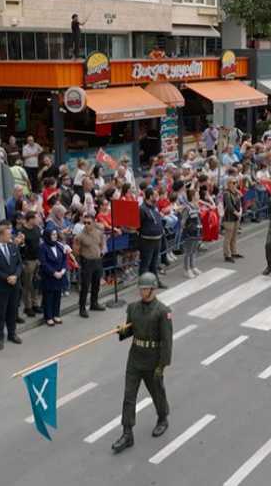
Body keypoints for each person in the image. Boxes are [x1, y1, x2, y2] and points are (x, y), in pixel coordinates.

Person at [111, 272, 173, 454]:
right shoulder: (133, 308)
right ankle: (127, 433)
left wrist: (162, 365)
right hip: (135, 357)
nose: (142, 291)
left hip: (153, 359)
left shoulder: (163, 311)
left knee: (157, 392)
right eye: (141, 288)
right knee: (129, 396)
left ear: (153, 289)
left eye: (145, 289)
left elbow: (167, 341)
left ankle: (163, 418)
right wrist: (121, 331)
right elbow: (130, 330)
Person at [0, 222, 23, 348]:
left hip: (14, 285)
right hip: (1, 287)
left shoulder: (13, 246)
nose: (11, 236)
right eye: (8, 234)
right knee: (1, 314)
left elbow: (19, 264)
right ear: (1, 235)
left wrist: (16, 276)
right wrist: (7, 278)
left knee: (12, 311)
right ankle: (0, 338)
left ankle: (12, 333)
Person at [74, 211, 106, 318]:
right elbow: (76, 250)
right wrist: (82, 260)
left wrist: (100, 252)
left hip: (97, 260)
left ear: (93, 223)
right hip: (87, 261)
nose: (86, 225)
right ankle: (82, 308)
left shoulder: (98, 232)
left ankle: (94, 303)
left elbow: (101, 243)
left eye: (89, 223)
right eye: (85, 223)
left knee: (96, 284)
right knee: (85, 286)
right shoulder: (80, 236)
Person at [37, 222, 67, 328]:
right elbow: (44, 263)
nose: (55, 236)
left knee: (57, 296)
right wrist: (54, 273)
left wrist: (63, 271)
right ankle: (48, 317)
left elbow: (64, 258)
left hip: (59, 275)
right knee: (48, 297)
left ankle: (56, 314)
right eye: (53, 235)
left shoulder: (59, 245)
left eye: (55, 234)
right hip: (49, 276)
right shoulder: (42, 247)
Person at [138, 190, 165, 288]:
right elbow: (138, 225)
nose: (157, 197)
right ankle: (143, 285)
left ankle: (155, 282)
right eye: (155, 195)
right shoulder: (142, 209)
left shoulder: (155, 207)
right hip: (147, 240)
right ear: (149, 197)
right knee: (145, 264)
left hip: (157, 239)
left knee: (154, 263)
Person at [19, 211, 43, 317]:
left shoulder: (37, 229)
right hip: (28, 261)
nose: (38, 220)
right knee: (27, 284)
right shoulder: (22, 231)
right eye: (36, 218)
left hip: (37, 259)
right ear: (30, 219)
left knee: (35, 284)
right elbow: (21, 247)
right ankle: (27, 306)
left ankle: (35, 304)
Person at [178, 187, 202, 278]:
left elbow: (198, 219)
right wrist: (185, 230)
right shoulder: (187, 208)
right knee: (188, 252)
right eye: (197, 194)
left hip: (197, 231)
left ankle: (193, 267)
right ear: (192, 196)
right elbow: (183, 221)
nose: (199, 196)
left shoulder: (197, 206)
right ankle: (186, 269)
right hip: (189, 233)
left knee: (194, 250)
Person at [221, 178, 243, 263]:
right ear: (229, 184)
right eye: (233, 183)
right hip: (229, 218)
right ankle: (227, 254)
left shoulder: (235, 192)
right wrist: (237, 213)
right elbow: (229, 206)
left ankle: (234, 252)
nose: (235, 184)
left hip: (236, 217)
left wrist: (240, 211)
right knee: (228, 237)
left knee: (234, 236)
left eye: (236, 183)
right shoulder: (226, 193)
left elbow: (240, 201)